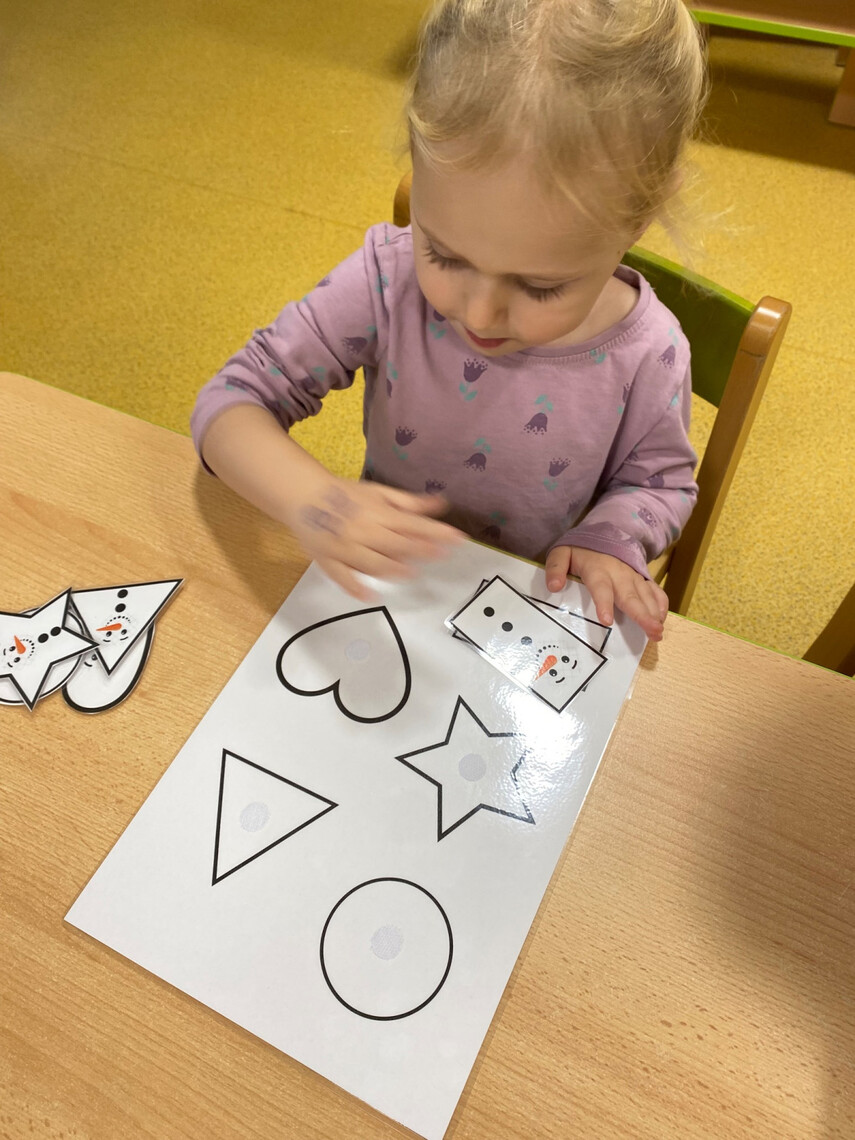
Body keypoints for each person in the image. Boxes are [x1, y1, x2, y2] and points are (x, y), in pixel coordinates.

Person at [192, 0, 707, 643]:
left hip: (525, 614)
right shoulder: (388, 278)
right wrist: (314, 501)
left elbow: (656, 483)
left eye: (540, 287)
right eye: (443, 254)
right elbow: (233, 401)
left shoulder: (652, 351)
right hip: (391, 596)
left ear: (641, 216)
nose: (479, 314)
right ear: (416, 159)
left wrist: (609, 537)